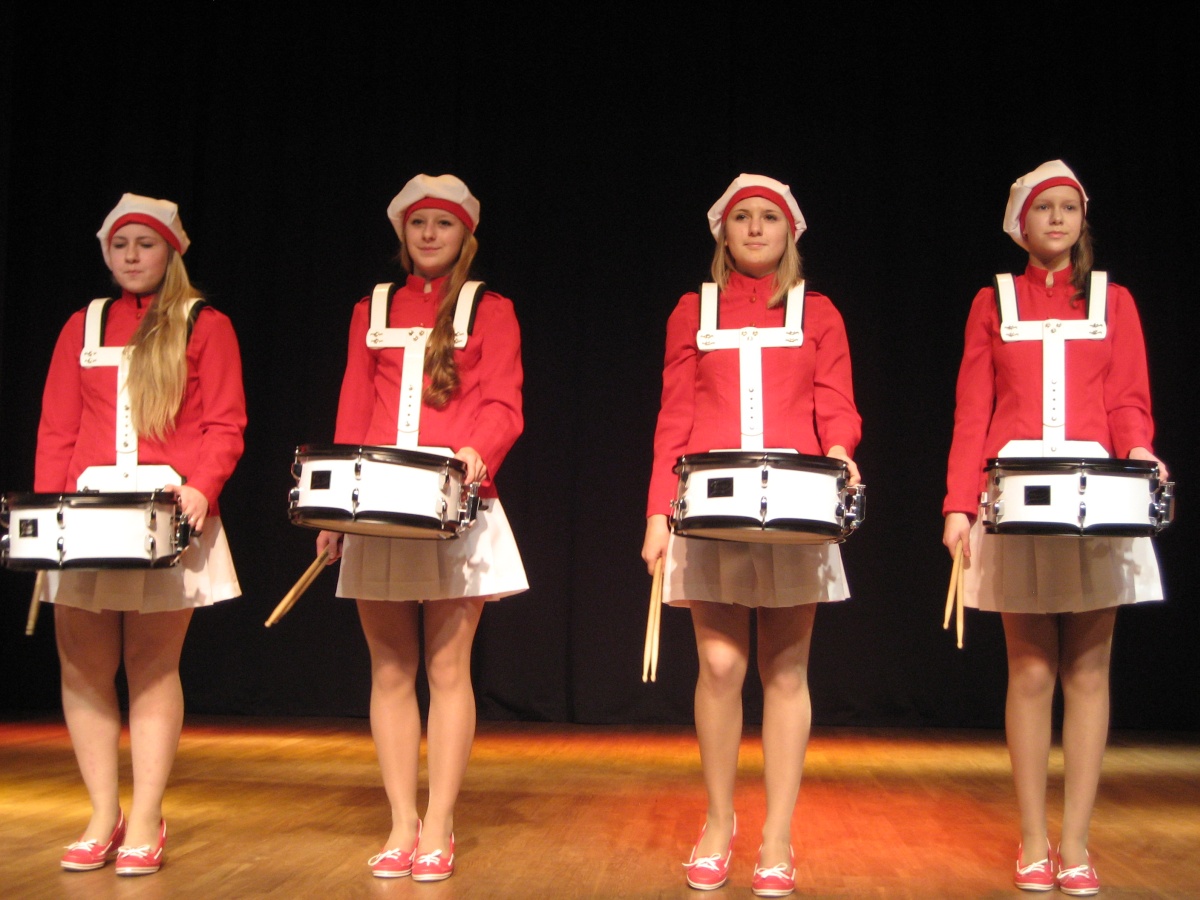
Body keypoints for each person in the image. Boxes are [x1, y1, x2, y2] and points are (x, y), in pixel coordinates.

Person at [942, 160, 1167, 896]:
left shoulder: (1113, 300)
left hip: (1096, 496)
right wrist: (958, 504)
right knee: (1032, 670)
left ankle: (1076, 844)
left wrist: (1140, 451)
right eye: (1045, 207)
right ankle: (1034, 840)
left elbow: (1129, 398)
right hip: (1017, 499)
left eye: (1070, 206)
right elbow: (973, 408)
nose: (1059, 218)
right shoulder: (993, 301)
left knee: (1090, 670)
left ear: (1083, 219)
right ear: (1021, 223)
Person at [641, 174, 861, 897]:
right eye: (743, 217)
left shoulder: (818, 311)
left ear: (789, 231)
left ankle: (777, 836)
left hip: (795, 505)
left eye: (769, 217)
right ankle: (718, 822)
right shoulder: (693, 310)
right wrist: (657, 513)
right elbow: (674, 416)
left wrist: (842, 451)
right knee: (719, 666)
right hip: (710, 506)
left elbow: (836, 402)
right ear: (723, 231)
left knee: (786, 671)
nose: (757, 228)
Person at [315, 174, 526, 881]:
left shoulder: (491, 309)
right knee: (389, 667)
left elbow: (504, 402)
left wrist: (478, 450)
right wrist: (334, 510)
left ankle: (439, 824)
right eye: (418, 224)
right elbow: (352, 408)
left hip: (456, 506)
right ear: (402, 234)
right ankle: (402, 821)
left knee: (447, 667)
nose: (430, 235)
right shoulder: (370, 309)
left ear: (466, 234)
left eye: (444, 224)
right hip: (376, 506)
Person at [35, 194, 246, 875]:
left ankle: (147, 818)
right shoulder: (83, 325)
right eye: (119, 244)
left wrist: (201, 486)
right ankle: (103, 813)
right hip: (86, 514)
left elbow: (225, 424)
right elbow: (58, 428)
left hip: (166, 514)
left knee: (152, 667)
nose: (131, 256)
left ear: (171, 250)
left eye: (145, 243)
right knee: (83, 667)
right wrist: (48, 517)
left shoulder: (205, 324)